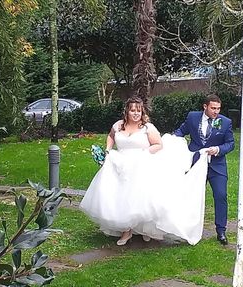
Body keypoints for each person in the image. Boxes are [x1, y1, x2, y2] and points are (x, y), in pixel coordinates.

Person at [80, 96, 209, 246]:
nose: (135, 114)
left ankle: (145, 230)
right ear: (127, 111)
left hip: (141, 164)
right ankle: (126, 230)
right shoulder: (118, 126)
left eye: (138, 111)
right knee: (120, 197)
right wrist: (108, 150)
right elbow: (111, 136)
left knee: (140, 200)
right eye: (132, 110)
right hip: (119, 164)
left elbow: (158, 144)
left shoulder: (148, 128)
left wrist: (143, 154)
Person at [174, 94, 235, 245]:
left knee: (221, 195)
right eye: (213, 108)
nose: (216, 111)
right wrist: (170, 140)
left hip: (216, 165)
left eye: (218, 109)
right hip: (195, 163)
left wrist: (218, 149)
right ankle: (184, 228)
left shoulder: (224, 122)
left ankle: (221, 230)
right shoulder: (193, 117)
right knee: (189, 195)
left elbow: (230, 143)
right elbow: (181, 131)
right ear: (205, 107)